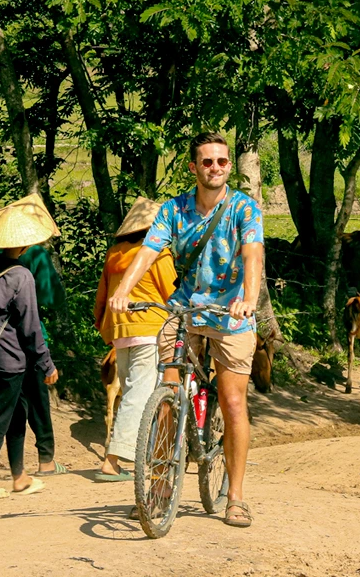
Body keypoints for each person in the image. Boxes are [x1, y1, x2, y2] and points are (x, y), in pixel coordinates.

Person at [108, 132, 264, 527]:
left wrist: (247, 297)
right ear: (193, 168)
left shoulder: (244, 208)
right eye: (207, 162)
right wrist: (123, 290)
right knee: (167, 397)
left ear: (229, 166)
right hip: (184, 310)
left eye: (222, 162)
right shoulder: (174, 210)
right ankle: (159, 485)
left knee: (231, 403)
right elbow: (147, 251)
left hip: (230, 313)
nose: (215, 168)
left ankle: (237, 497)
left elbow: (252, 255)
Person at [0, 194, 68, 482]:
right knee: (27, 405)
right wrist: (46, 362)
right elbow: (42, 308)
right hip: (19, 351)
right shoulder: (28, 268)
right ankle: (41, 460)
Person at [93, 197, 177, 482]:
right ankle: (113, 460)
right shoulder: (158, 255)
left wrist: (104, 326)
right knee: (138, 396)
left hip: (120, 331)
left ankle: (139, 454)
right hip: (150, 330)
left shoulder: (114, 254)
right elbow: (172, 295)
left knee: (132, 393)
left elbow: (102, 297)